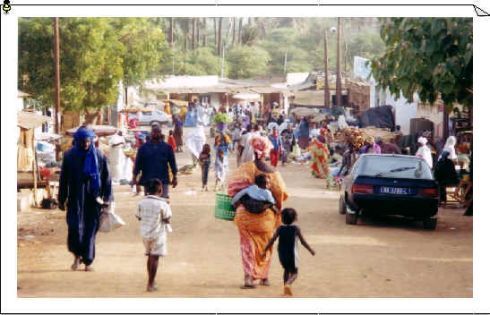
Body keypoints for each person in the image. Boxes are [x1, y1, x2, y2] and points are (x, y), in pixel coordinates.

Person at [227, 136, 288, 288]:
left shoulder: (246, 168)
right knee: (266, 246)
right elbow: (281, 194)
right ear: (266, 152)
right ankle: (264, 277)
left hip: (245, 218)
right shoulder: (274, 173)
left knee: (247, 247)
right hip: (266, 220)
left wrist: (238, 203)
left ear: (253, 151)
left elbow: (233, 190)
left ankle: (248, 278)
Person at [58, 126, 112, 271]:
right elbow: (63, 179)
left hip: (93, 200)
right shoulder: (69, 156)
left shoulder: (99, 156)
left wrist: (107, 198)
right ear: (77, 141)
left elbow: (107, 179)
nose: (86, 144)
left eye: (88, 141)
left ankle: (88, 261)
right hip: (75, 199)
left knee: (90, 230)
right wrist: (61, 198)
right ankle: (76, 257)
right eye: (83, 141)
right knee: (75, 229)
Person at [263, 208, 315, 296]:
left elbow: (272, 240)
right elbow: (303, 242)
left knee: (286, 270)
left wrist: (265, 250)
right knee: (295, 273)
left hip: (282, 254)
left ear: (282, 218)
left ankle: (285, 289)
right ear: (295, 218)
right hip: (292, 255)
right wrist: (310, 250)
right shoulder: (296, 229)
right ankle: (288, 284)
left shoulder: (280, 228)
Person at [135, 179, 172, 292]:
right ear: (160, 190)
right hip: (158, 234)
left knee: (149, 255)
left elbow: (138, 216)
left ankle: (151, 280)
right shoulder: (163, 204)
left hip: (145, 233)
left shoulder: (141, 202)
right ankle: (150, 283)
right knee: (155, 257)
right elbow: (167, 218)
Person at [133, 124, 178, 199]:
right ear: (151, 133)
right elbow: (138, 163)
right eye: (154, 132)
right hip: (148, 180)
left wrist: (175, 177)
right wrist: (134, 176)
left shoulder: (167, 148)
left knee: (164, 201)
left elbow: (172, 163)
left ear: (161, 133)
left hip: (163, 179)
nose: (156, 134)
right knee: (149, 201)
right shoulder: (143, 148)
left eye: (158, 132)